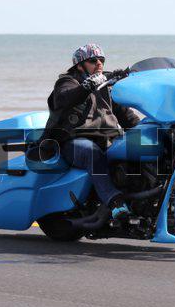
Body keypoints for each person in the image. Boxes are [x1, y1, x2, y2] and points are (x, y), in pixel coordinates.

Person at [40, 44, 140, 222]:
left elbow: (127, 116)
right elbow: (65, 97)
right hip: (73, 141)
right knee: (91, 152)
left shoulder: (106, 87)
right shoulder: (67, 82)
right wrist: (87, 86)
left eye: (102, 60)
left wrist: (148, 129)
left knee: (142, 148)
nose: (99, 63)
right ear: (80, 65)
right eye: (93, 60)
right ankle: (115, 202)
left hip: (107, 139)